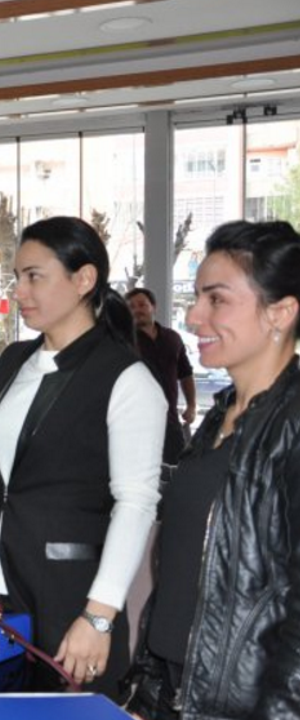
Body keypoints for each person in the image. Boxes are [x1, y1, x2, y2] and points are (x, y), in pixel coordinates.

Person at [0, 216, 165, 696]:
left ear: (84, 280)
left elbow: (136, 503)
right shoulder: (13, 361)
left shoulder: (126, 378)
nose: (19, 291)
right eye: (17, 277)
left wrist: (99, 615)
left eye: (34, 276)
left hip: (70, 597)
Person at [124, 220, 300, 719]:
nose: (193, 315)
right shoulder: (219, 416)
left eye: (216, 299)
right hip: (175, 689)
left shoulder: (292, 423)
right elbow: (183, 569)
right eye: (197, 297)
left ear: (280, 312)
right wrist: (148, 690)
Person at [127, 287, 197, 464]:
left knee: (177, 471)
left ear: (153, 307)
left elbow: (186, 373)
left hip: (170, 422)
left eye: (142, 305)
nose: (137, 310)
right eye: (131, 307)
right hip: (133, 426)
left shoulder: (173, 338)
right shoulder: (122, 342)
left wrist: (191, 405)